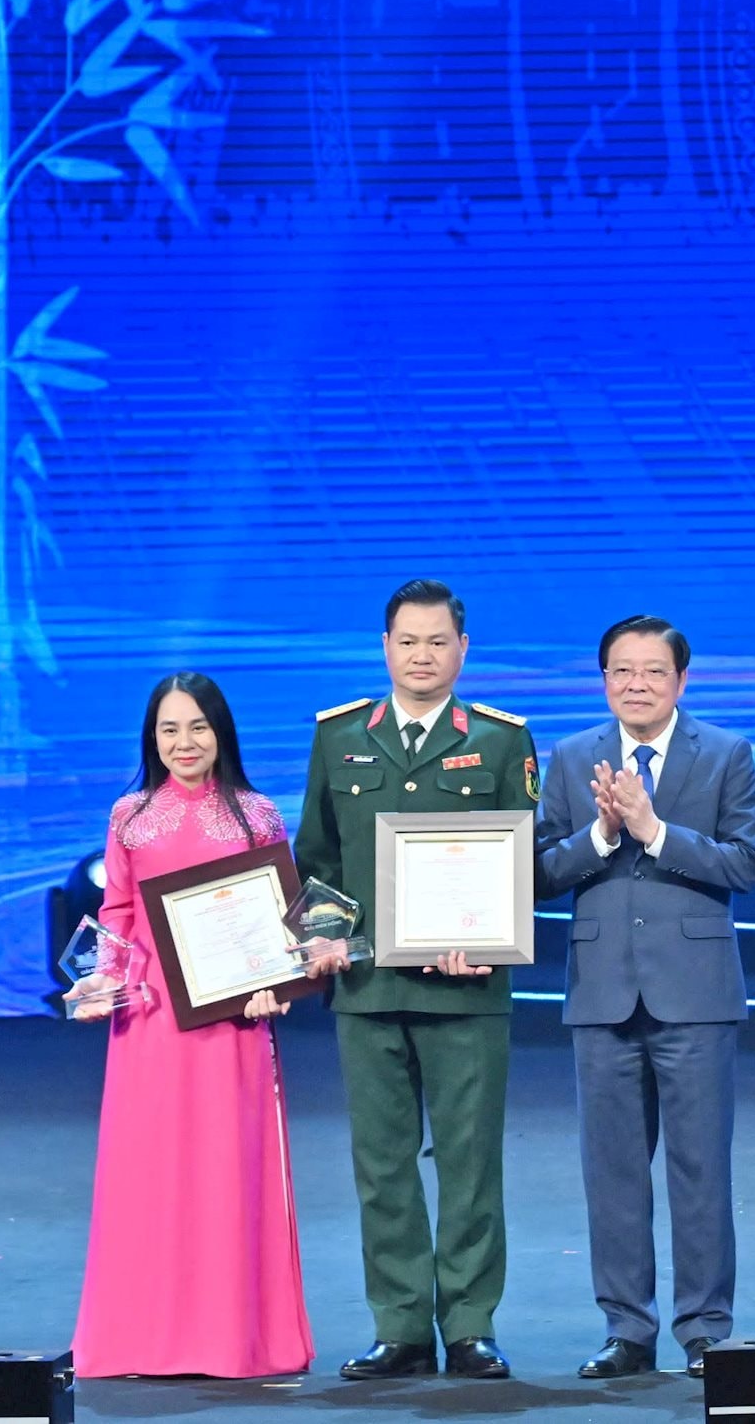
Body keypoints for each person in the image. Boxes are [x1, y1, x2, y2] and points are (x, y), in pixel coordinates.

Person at [294, 578, 540, 1381]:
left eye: (438, 641)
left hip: (468, 989)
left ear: (463, 649)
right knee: (382, 1165)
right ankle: (398, 1325)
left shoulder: (503, 741)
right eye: (408, 641)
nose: (422, 655)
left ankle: (470, 1324)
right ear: (385, 646)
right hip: (367, 989)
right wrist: (327, 937)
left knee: (471, 1162)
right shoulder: (339, 736)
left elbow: (522, 859)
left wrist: (492, 938)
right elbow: (318, 857)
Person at [535, 615, 755, 1381]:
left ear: (681, 680)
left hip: (695, 995)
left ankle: (704, 1329)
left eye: (653, 670)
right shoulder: (572, 757)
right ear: (604, 679)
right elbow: (540, 871)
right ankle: (626, 1330)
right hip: (602, 993)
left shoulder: (726, 752)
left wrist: (653, 828)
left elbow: (746, 863)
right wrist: (603, 835)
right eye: (622, 671)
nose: (636, 683)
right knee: (613, 1173)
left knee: (701, 1171)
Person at [69, 671, 314, 1379]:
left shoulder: (257, 815)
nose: (184, 742)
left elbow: (281, 919)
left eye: (198, 727)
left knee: (226, 1175)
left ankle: (231, 1339)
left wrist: (275, 983)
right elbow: (117, 912)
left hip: (233, 1026)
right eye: (169, 729)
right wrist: (104, 978)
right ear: (151, 737)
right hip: (148, 1024)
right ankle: (136, 1339)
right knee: (147, 1175)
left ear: (221, 732)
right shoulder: (129, 816)